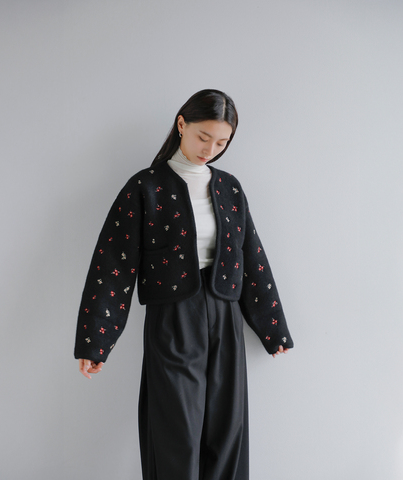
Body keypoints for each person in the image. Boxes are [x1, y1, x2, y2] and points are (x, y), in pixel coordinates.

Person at [74, 89, 294, 480]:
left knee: (227, 431)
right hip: (172, 319)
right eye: (203, 137)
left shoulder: (229, 188)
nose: (210, 149)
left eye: (221, 142)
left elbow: (251, 258)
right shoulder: (145, 187)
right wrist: (96, 342)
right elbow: (114, 265)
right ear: (182, 125)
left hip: (225, 317)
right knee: (176, 433)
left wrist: (272, 329)